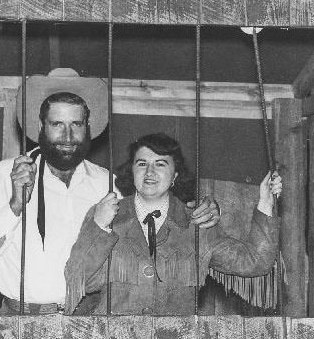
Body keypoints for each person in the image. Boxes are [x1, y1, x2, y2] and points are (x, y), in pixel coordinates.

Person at [0, 69, 222, 313]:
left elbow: (156, 223)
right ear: (40, 127)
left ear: (88, 127)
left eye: (76, 124)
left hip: (92, 323)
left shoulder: (108, 183)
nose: (68, 136)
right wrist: (15, 205)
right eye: (57, 124)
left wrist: (196, 214)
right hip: (22, 325)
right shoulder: (7, 175)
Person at [64, 132, 281, 316]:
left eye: (160, 164)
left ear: (175, 175)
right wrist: (99, 227)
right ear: (132, 171)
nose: (149, 172)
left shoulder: (197, 222)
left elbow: (256, 262)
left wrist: (265, 203)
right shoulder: (104, 217)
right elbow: (77, 280)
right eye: (142, 164)